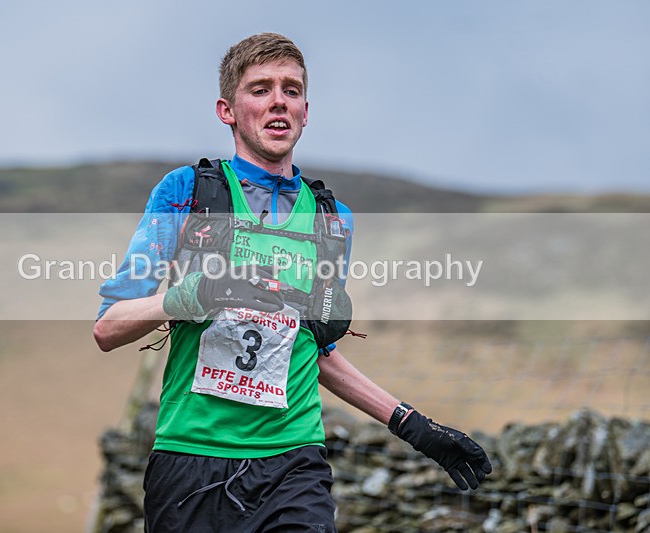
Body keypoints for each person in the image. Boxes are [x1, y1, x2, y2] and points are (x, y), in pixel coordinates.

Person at [94, 32, 491, 532]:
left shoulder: (332, 218)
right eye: (260, 89)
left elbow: (310, 351)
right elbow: (108, 328)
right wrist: (190, 296)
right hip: (191, 460)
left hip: (293, 463)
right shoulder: (188, 193)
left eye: (291, 89)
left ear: (306, 109)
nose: (278, 101)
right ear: (227, 110)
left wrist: (410, 424)